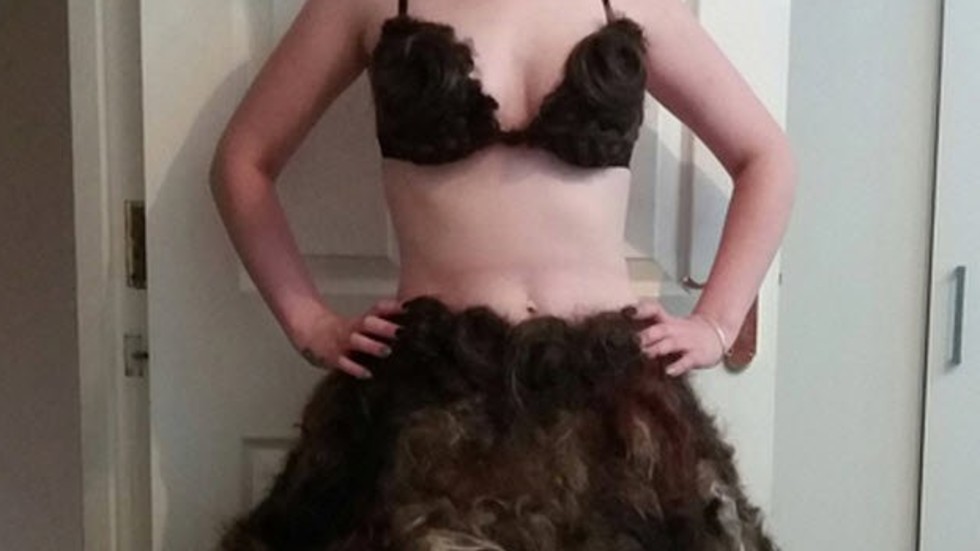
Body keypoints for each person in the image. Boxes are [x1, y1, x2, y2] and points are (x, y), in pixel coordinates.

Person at [208, 0, 795, 549]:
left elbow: (765, 158)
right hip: (432, 398)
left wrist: (717, 323)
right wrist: (309, 321)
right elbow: (242, 161)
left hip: (612, 405)